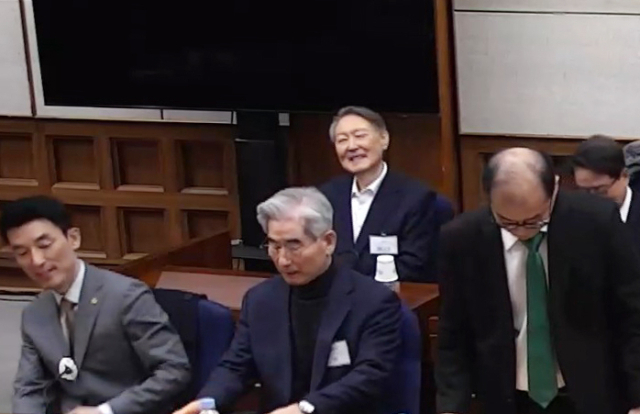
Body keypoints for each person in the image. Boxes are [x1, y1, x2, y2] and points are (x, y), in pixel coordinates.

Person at [436, 148, 640, 414]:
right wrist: (451, 405)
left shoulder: (596, 221)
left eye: (534, 220)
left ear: (554, 188)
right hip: (507, 395)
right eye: (508, 222)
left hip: (590, 391)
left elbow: (631, 312)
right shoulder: (462, 238)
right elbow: (453, 329)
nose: (522, 232)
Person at [173, 187, 401, 414]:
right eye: (274, 246)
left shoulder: (374, 302)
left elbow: (369, 376)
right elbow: (236, 366)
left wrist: (305, 409)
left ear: (328, 242)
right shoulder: (260, 300)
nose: (283, 260)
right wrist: (207, 402)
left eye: (294, 246)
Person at [3, 196, 191, 414]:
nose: (36, 261)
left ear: (73, 238)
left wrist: (106, 411)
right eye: (22, 253)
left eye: (44, 245)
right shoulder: (35, 313)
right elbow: (30, 389)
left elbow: (174, 370)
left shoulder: (126, 296)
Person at [320, 106, 438, 282]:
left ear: (384, 139)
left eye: (360, 136)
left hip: (388, 293)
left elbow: (414, 264)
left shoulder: (416, 197)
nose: (352, 146)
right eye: (342, 140)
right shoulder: (326, 195)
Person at [572, 135, 640, 251]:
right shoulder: (570, 217)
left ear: (624, 176)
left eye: (600, 190)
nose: (591, 199)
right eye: (584, 191)